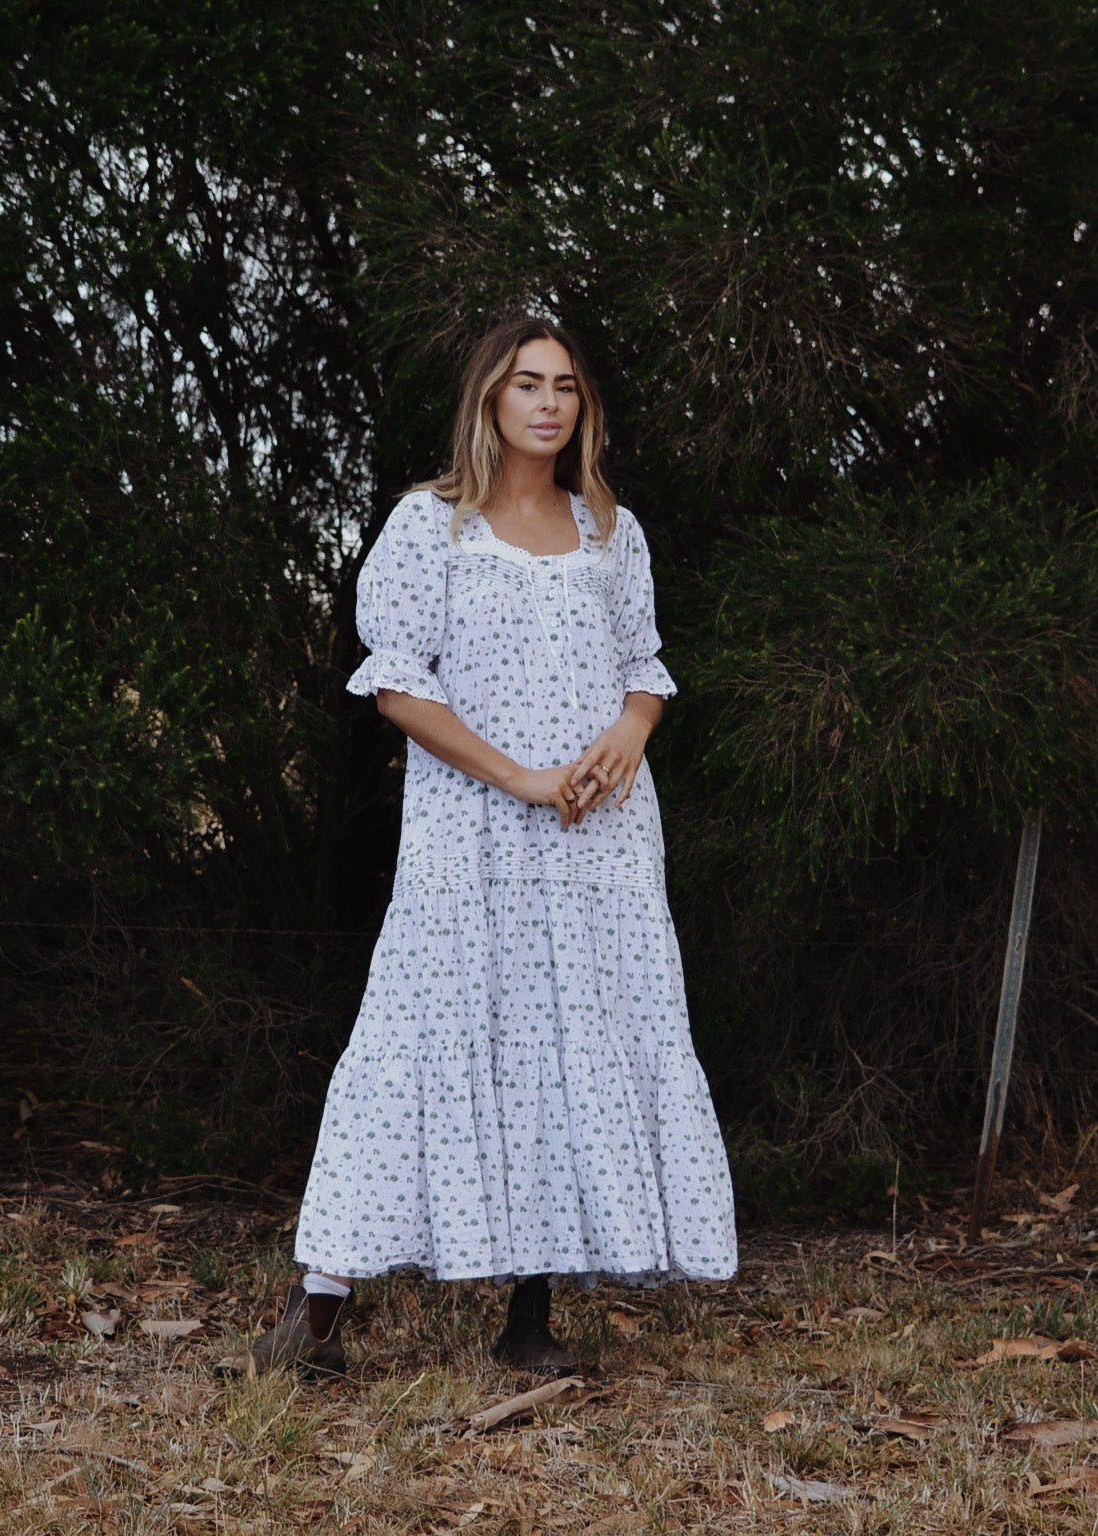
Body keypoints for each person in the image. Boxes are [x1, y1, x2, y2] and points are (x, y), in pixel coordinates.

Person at [221, 316, 736, 1380]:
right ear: (489, 401)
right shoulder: (430, 526)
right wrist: (518, 778)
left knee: (567, 1049)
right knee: (407, 1041)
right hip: (473, 833)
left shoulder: (609, 530)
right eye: (525, 385)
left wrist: (631, 730)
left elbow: (644, 661)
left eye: (566, 388)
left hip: (598, 835)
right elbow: (397, 683)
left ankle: (529, 1322)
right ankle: (314, 1318)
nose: (548, 403)